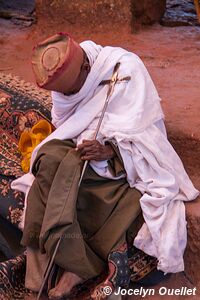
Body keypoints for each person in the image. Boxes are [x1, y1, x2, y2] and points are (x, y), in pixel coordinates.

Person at [11, 32, 199, 299]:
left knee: (77, 174)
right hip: (81, 149)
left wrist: (109, 150)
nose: (68, 96)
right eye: (63, 93)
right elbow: (66, 124)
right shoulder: (64, 81)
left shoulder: (126, 68)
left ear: (86, 68)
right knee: (48, 159)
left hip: (123, 161)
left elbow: (146, 135)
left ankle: (75, 267)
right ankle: (42, 262)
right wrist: (83, 142)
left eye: (73, 90)